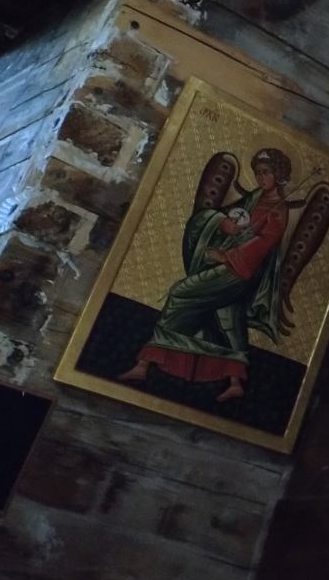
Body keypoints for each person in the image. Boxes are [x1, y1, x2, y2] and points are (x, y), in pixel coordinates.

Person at [117, 149, 295, 403]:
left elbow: (264, 244)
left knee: (180, 293)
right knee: (226, 315)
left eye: (266, 172)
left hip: (239, 272)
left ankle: (145, 362)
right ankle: (234, 382)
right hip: (233, 268)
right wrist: (224, 223)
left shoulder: (278, 210)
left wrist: (226, 256)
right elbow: (230, 217)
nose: (260, 177)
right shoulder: (256, 197)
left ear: (278, 174)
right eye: (257, 173)